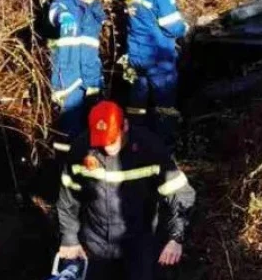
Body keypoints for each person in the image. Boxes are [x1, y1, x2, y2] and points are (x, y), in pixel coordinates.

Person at [57, 100, 195, 280]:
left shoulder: (150, 149)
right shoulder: (81, 149)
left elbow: (181, 194)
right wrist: (69, 238)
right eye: (102, 142)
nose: (107, 148)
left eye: (113, 140)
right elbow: (69, 197)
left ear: (126, 126)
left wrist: (175, 238)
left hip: (140, 244)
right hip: (95, 244)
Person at [122, 0, 188, 147]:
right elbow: (172, 27)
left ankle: (134, 142)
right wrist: (185, 27)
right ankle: (162, 147)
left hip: (135, 53)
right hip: (158, 56)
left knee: (137, 103)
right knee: (164, 105)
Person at [48, 0, 108, 153]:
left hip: (90, 79)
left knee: (91, 131)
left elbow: (91, 50)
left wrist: (96, 81)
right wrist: (63, 16)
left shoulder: (95, 13)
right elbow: (54, 12)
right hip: (68, 79)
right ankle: (64, 171)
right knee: (69, 131)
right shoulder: (64, 3)